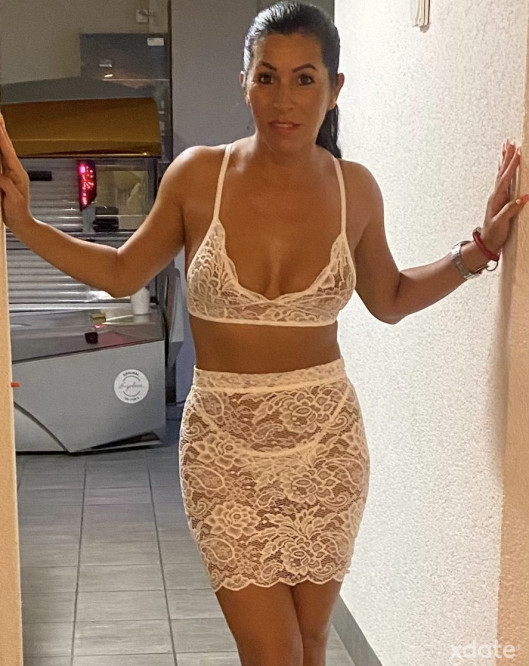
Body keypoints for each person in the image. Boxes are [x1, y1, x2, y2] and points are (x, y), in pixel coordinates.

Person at [0, 2, 525, 664]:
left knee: (311, 644)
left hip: (326, 444)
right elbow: (120, 272)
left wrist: (479, 250)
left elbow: (389, 299)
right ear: (243, 81)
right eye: (267, 76)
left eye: (305, 78)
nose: (284, 99)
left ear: (334, 89)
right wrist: (25, 223)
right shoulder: (199, 177)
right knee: (274, 653)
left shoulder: (355, 190)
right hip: (222, 451)